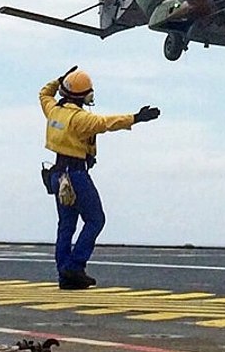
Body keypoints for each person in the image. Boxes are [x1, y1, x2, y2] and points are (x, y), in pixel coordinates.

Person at [40, 66, 160, 290]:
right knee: (96, 220)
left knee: (66, 225)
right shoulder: (80, 119)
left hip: (58, 175)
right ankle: (75, 267)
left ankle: (64, 273)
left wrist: (58, 81)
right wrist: (136, 118)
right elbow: (106, 123)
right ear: (83, 95)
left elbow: (44, 93)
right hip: (75, 175)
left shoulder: (53, 110)